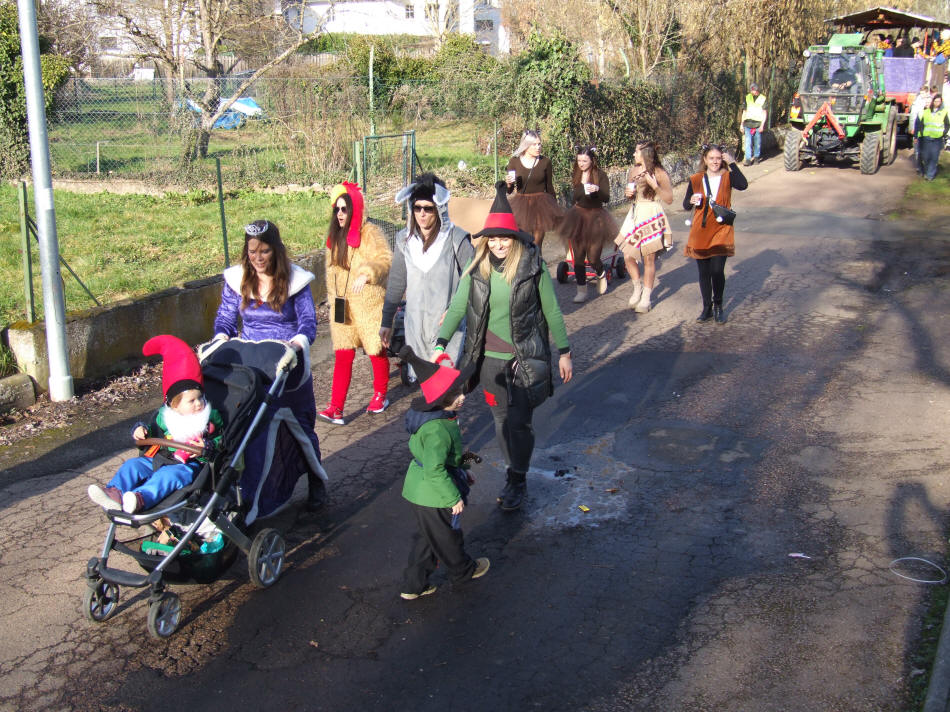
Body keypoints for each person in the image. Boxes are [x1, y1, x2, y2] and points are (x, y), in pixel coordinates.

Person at [435, 182, 572, 512]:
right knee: (499, 420)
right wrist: (440, 343)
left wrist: (565, 351)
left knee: (519, 422)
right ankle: (514, 473)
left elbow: (551, 309)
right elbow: (457, 307)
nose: (498, 243)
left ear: (514, 238)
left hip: (523, 358)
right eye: (492, 237)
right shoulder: (477, 268)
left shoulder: (531, 267)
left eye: (504, 237)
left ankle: (517, 479)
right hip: (489, 364)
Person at [213, 219, 327, 510]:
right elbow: (226, 318)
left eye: (264, 251)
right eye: (252, 252)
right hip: (253, 366)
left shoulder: (295, 281)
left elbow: (307, 323)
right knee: (253, 430)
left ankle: (316, 480)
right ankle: (253, 497)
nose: (258, 258)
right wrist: (220, 338)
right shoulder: (238, 281)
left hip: (288, 366)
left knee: (300, 426)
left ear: (275, 251)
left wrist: (296, 345)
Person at [88, 335, 224, 514]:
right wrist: (140, 430)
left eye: (200, 398)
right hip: (159, 458)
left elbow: (222, 441)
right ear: (174, 405)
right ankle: (115, 493)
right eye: (192, 401)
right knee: (132, 465)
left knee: (166, 476)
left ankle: (140, 498)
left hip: (188, 467)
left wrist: (207, 445)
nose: (199, 404)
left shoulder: (209, 421)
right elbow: (152, 431)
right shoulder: (165, 417)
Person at [397, 345, 490, 600]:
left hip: (421, 491)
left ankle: (413, 585)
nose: (461, 397)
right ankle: (463, 571)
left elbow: (448, 459)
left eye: (459, 390)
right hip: (433, 495)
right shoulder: (437, 429)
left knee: (428, 539)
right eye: (453, 395)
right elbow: (435, 468)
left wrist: (464, 468)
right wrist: (453, 498)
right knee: (448, 537)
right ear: (439, 401)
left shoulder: (438, 418)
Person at [381, 173, 474, 379]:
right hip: (415, 329)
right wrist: (387, 321)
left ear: (439, 208)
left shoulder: (455, 239)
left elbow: (475, 278)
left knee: (445, 386)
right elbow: (397, 283)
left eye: (428, 208)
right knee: (426, 385)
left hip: (447, 329)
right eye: (417, 208)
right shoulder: (404, 242)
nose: (422, 214)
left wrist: (457, 309)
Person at [320, 182, 393, 424]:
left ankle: (381, 394)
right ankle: (336, 408)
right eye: (337, 209)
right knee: (343, 354)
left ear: (355, 210)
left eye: (344, 209)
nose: (340, 214)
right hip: (342, 307)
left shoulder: (369, 232)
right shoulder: (334, 238)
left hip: (368, 305)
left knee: (375, 350)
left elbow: (385, 260)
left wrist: (367, 273)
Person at [682, 144, 748, 324]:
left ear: (723, 159)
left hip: (721, 229)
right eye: (711, 158)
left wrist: (733, 163)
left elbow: (743, 185)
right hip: (700, 230)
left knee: (717, 270)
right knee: (704, 273)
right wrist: (691, 200)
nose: (715, 162)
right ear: (705, 160)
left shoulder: (728, 176)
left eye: (718, 158)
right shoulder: (696, 179)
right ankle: (707, 308)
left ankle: (718, 304)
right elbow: (686, 205)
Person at [615, 140, 674, 313]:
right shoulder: (633, 171)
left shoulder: (659, 172)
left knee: (649, 258)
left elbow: (669, 199)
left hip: (652, 213)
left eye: (636, 152)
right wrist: (628, 195)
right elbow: (631, 196)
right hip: (636, 213)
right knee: (627, 254)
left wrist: (655, 185)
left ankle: (647, 297)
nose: (634, 154)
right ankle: (637, 287)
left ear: (646, 154)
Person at [558, 145, 617, 303]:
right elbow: (576, 196)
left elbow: (606, 198)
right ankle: (581, 290)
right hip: (578, 216)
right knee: (578, 257)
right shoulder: (577, 174)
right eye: (579, 160)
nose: (581, 164)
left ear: (592, 160)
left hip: (596, 217)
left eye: (584, 160)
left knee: (593, 258)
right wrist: (583, 187)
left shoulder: (601, 175)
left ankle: (600, 273)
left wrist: (596, 190)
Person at [505, 130, 564, 252]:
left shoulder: (545, 162)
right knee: (524, 243)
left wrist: (555, 208)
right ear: (526, 146)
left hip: (541, 205)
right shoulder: (514, 161)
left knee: (537, 245)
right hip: (521, 206)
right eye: (534, 144)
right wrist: (509, 183)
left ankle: (538, 268)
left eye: (539, 144)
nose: (538, 147)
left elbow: (549, 186)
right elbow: (509, 190)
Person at [916, 94, 948, 181]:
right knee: (926, 157)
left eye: (939, 101)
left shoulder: (944, 112)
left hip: (937, 139)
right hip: (927, 138)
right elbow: (921, 124)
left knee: (934, 157)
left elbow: (947, 125)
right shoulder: (926, 112)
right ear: (933, 102)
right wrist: (922, 133)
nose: (937, 103)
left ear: (941, 102)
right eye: (936, 101)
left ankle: (930, 175)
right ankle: (927, 171)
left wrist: (943, 133)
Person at [740, 83, 767, 166]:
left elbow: (764, 112)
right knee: (748, 142)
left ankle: (756, 158)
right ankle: (748, 159)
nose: (753, 91)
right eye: (752, 90)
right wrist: (741, 124)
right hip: (748, 123)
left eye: (754, 90)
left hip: (758, 124)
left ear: (757, 90)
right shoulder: (747, 97)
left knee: (757, 142)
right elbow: (744, 111)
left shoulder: (763, 98)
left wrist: (762, 125)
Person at [909, 84, 934, 173]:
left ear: (927, 92)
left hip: (929, 131)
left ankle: (927, 168)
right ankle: (919, 167)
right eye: (921, 93)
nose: (922, 95)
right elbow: (913, 115)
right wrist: (912, 127)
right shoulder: (917, 101)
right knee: (917, 151)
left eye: (923, 93)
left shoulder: (931, 101)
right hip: (918, 129)